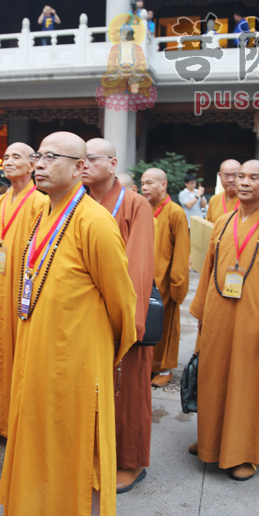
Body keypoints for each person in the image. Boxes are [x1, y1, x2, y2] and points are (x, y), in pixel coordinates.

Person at [0, 132, 136, 516]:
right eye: (38, 155)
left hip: (75, 356)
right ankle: (36, 510)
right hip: (37, 347)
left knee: (72, 438)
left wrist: (90, 346)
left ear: (80, 168)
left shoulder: (95, 221)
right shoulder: (42, 212)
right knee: (38, 434)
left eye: (52, 157)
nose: (39, 163)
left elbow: (121, 303)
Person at [189, 160, 259, 481]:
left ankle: (244, 452)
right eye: (240, 177)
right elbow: (208, 271)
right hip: (220, 316)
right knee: (214, 378)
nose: (245, 182)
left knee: (248, 384)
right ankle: (211, 441)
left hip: (256, 322)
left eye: (254, 177)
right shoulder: (222, 222)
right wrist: (202, 312)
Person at [84, 138, 155, 494]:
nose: (83, 164)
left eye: (91, 158)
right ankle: (93, 454)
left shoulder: (134, 204)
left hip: (123, 314)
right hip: (85, 315)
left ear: (112, 164)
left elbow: (139, 266)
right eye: (79, 158)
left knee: (127, 389)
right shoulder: (76, 202)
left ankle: (130, 462)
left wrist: (131, 321)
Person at [0, 143, 49, 437]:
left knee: (20, 353)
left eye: (15, 156)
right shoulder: (3, 199)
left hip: (22, 289)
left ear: (33, 164)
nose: (7, 161)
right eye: (5, 157)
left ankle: (17, 421)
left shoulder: (40, 202)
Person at [141, 168, 190, 387]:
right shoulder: (142, 208)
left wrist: (177, 284)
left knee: (167, 327)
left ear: (163, 185)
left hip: (166, 283)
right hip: (143, 280)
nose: (144, 187)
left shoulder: (174, 211)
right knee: (146, 326)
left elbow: (181, 251)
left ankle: (165, 368)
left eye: (149, 183)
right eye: (142, 183)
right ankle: (147, 366)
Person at [98, 23, 155, 110]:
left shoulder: (137, 48)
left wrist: (132, 69)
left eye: (128, 34)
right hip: (119, 73)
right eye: (124, 34)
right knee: (108, 81)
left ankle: (132, 89)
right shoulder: (115, 48)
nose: (126, 36)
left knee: (144, 81)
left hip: (133, 72)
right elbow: (111, 63)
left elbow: (141, 63)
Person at [205, 159, 240, 224]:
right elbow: (208, 226)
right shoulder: (214, 200)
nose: (230, 180)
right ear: (220, 176)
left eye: (235, 175)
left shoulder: (248, 201)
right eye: (226, 176)